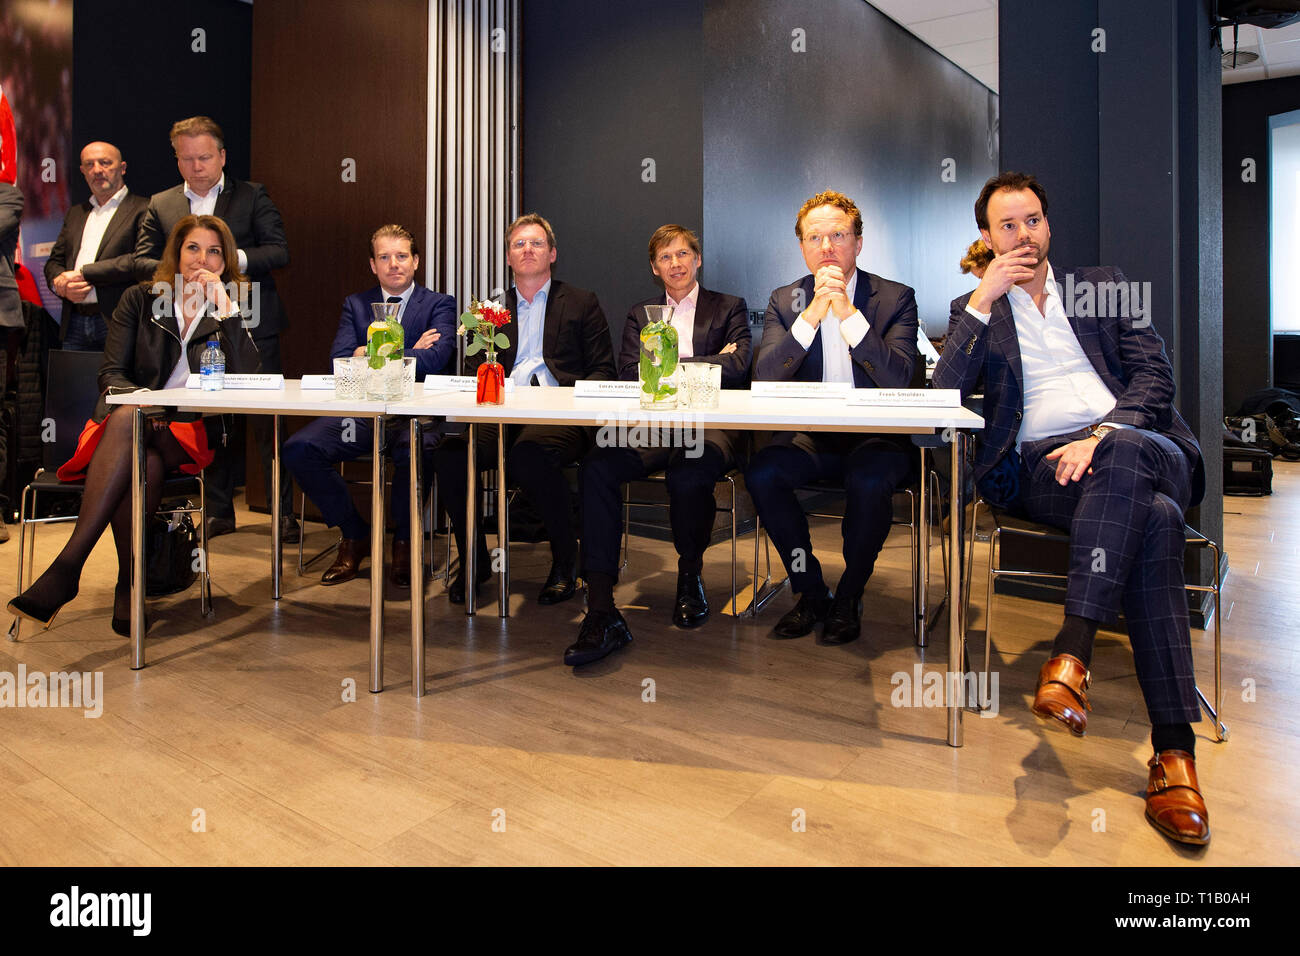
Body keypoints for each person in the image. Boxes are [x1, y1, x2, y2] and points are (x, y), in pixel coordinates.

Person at [932, 171, 1211, 846]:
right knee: (1158, 524)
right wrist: (981, 301)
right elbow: (940, 397)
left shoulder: (1101, 284)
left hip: (1139, 444)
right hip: (1039, 468)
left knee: (1124, 459)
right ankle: (1173, 753)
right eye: (1007, 225)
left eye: (1032, 220)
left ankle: (1071, 651)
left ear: (1048, 226)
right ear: (987, 238)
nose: (1022, 234)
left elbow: (1155, 376)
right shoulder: (975, 308)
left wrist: (1104, 435)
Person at [7, 215, 260, 635]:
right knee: (144, 458)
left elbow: (249, 380)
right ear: (176, 255)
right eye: (193, 248)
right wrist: (149, 409)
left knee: (135, 429)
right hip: (129, 428)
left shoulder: (236, 303)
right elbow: (112, 374)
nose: (202, 259)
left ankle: (68, 567)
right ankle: (128, 586)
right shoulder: (141, 299)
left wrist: (228, 310)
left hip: (188, 432)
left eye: (214, 251)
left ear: (226, 260)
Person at [568, 225, 751, 666]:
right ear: (655, 268)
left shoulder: (728, 306)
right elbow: (630, 372)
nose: (677, 263)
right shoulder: (641, 314)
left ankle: (690, 575)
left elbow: (740, 365)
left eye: (684, 254)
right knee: (598, 466)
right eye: (666, 258)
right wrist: (707, 362)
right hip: (649, 424)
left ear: (698, 259)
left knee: (690, 475)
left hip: (709, 424)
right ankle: (601, 606)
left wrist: (666, 365)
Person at [744, 190, 918, 645]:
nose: (826, 247)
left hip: (876, 438)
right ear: (802, 246)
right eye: (814, 237)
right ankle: (810, 590)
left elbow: (900, 379)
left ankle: (850, 594)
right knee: (763, 473)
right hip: (812, 439)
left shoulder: (896, 298)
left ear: (858, 243)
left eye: (837, 235)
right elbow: (765, 376)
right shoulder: (786, 299)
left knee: (869, 481)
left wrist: (846, 311)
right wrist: (814, 312)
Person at [433, 213, 615, 606]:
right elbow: (470, 369)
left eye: (536, 243)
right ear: (509, 257)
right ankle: (475, 561)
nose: (527, 250)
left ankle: (566, 561)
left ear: (552, 254)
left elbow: (604, 369)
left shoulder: (582, 302)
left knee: (529, 457)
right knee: (450, 456)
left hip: (559, 414)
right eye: (519, 244)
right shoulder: (488, 309)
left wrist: (569, 399)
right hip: (500, 410)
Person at [134, 116, 295, 541]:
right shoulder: (161, 203)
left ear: (222, 156)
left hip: (250, 315)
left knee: (266, 424)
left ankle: (285, 514)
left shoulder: (252, 195)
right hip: (188, 322)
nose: (196, 166)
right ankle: (220, 510)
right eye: (186, 159)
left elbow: (279, 250)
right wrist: (183, 270)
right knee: (215, 420)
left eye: (204, 157)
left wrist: (223, 262)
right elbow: (141, 259)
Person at [282, 224, 456, 587]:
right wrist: (410, 350)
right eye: (384, 257)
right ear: (372, 265)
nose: (394, 264)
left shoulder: (440, 304)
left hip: (415, 416)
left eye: (402, 256)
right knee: (299, 448)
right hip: (360, 414)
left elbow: (437, 359)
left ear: (416, 261)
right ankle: (354, 532)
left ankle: (406, 542)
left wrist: (370, 350)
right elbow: (341, 360)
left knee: (415, 453)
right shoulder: (356, 304)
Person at [44, 142, 149, 351]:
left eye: (105, 163)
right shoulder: (76, 213)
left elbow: (139, 260)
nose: (97, 170)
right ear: (83, 171)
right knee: (72, 384)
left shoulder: (145, 208)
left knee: (116, 383)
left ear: (123, 168)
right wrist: (61, 285)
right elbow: (54, 261)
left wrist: (84, 273)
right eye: (89, 165)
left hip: (117, 320)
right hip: (73, 321)